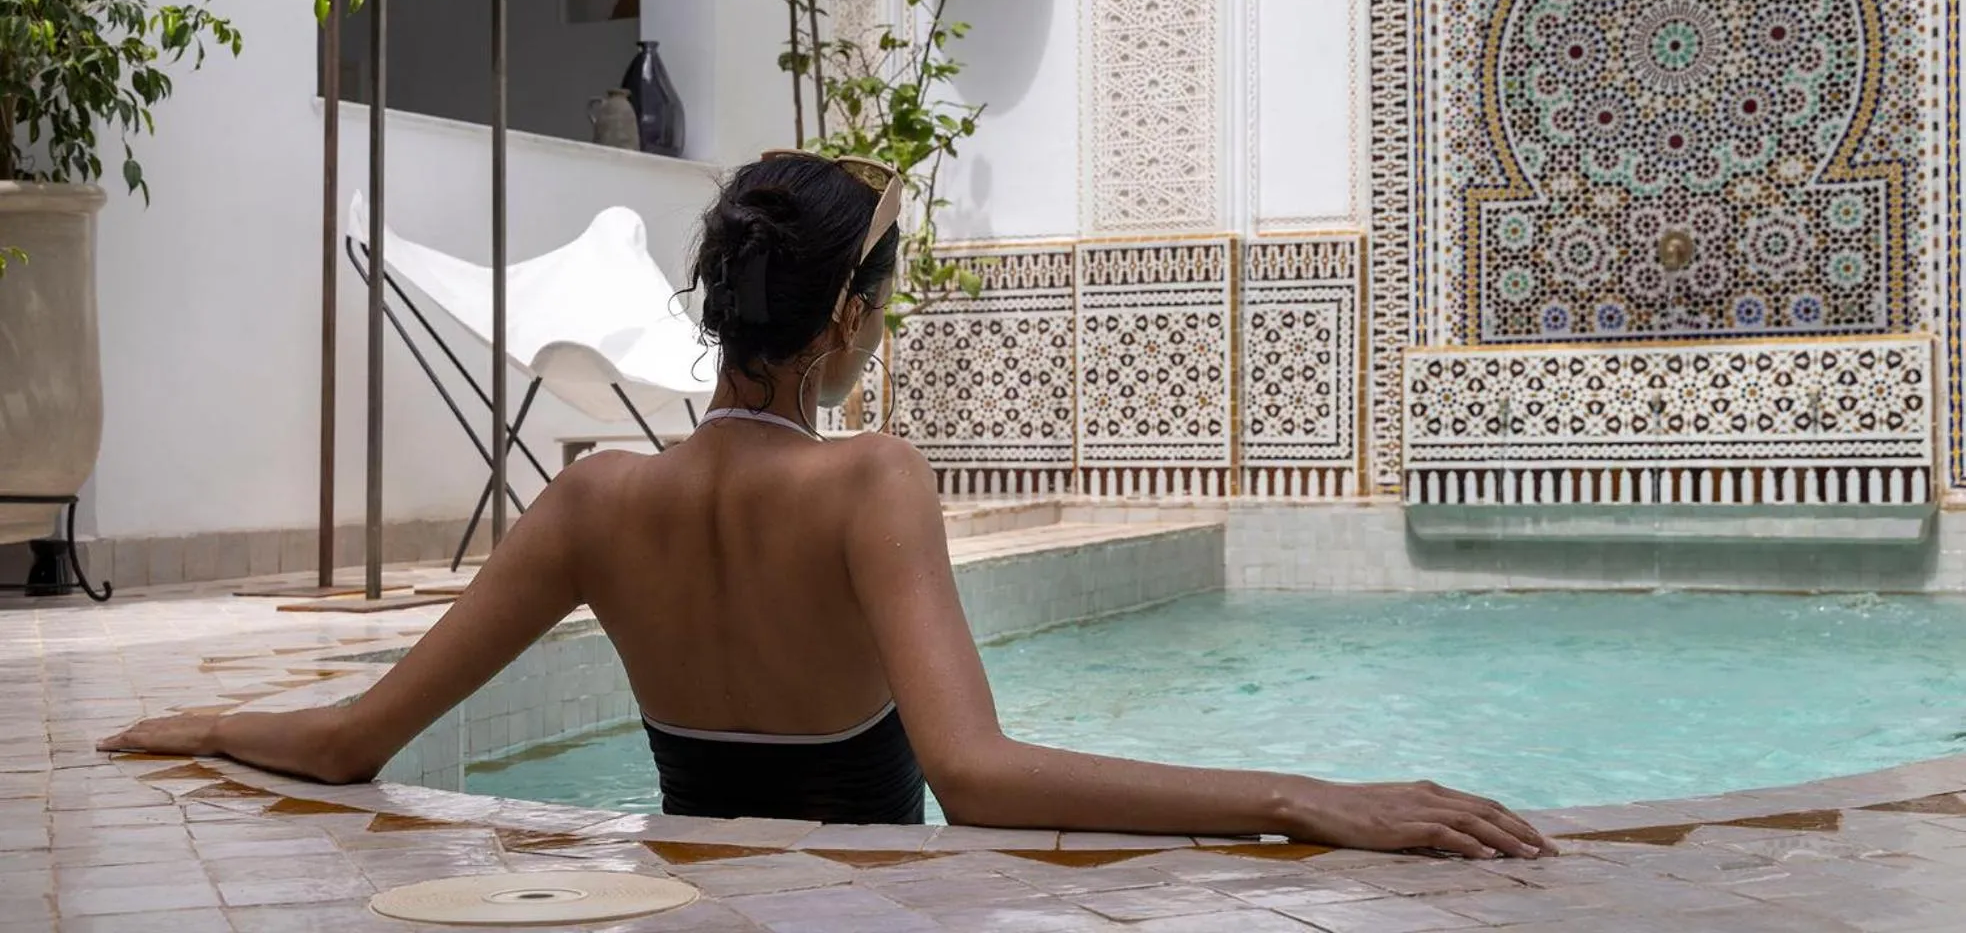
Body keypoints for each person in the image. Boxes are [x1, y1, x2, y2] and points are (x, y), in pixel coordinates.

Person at [102, 150, 1552, 860]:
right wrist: (1300, 797)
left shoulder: (593, 499)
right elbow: (974, 779)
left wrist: (208, 726)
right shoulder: (871, 479)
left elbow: (355, 742)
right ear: (845, 324)